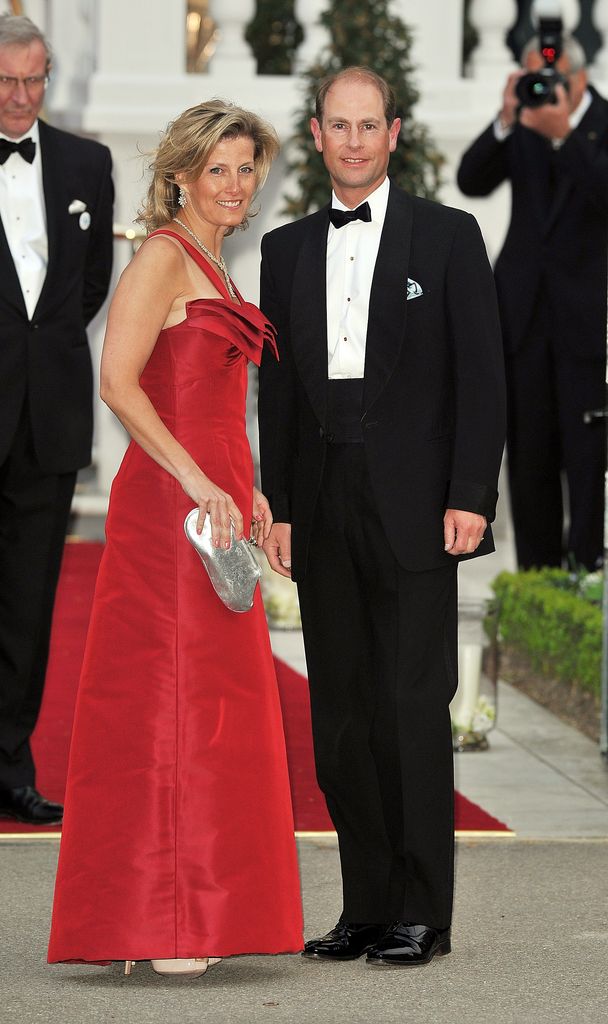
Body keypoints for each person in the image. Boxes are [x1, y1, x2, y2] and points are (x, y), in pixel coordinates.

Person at [48, 100, 303, 976]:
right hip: (170, 510)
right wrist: (199, 481)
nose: (234, 186)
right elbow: (119, 384)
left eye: (245, 169)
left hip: (218, 504)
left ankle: (202, 907)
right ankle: (162, 918)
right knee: (169, 699)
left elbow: (218, 402)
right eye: (217, 170)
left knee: (218, 705)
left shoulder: (220, 266)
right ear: (182, 176)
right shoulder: (162, 255)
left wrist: (254, 490)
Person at [258, 66, 505, 968]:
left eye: (370, 125)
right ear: (317, 134)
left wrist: (471, 495)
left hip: (417, 508)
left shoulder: (448, 238)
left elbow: (484, 379)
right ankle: (365, 904)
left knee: (409, 706)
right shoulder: (283, 252)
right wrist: (279, 506)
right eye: (339, 125)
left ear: (394, 132)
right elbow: (276, 392)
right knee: (343, 720)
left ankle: (421, 911)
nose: (355, 141)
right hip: (322, 507)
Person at [0, 15, 113, 827]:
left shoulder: (86, 162)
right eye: (6, 81)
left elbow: (90, 286)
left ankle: (11, 767)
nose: (21, 96)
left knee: (28, 607)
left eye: (34, 80)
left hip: (49, 422)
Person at [457, 35, 608, 571]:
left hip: (589, 327)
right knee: (529, 459)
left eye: (553, 78)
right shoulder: (521, 121)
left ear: (583, 79)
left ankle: (588, 577)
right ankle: (537, 580)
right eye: (532, 78)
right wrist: (505, 117)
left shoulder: (601, 123)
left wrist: (565, 136)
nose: (544, 88)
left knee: (589, 463)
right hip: (521, 321)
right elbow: (470, 179)